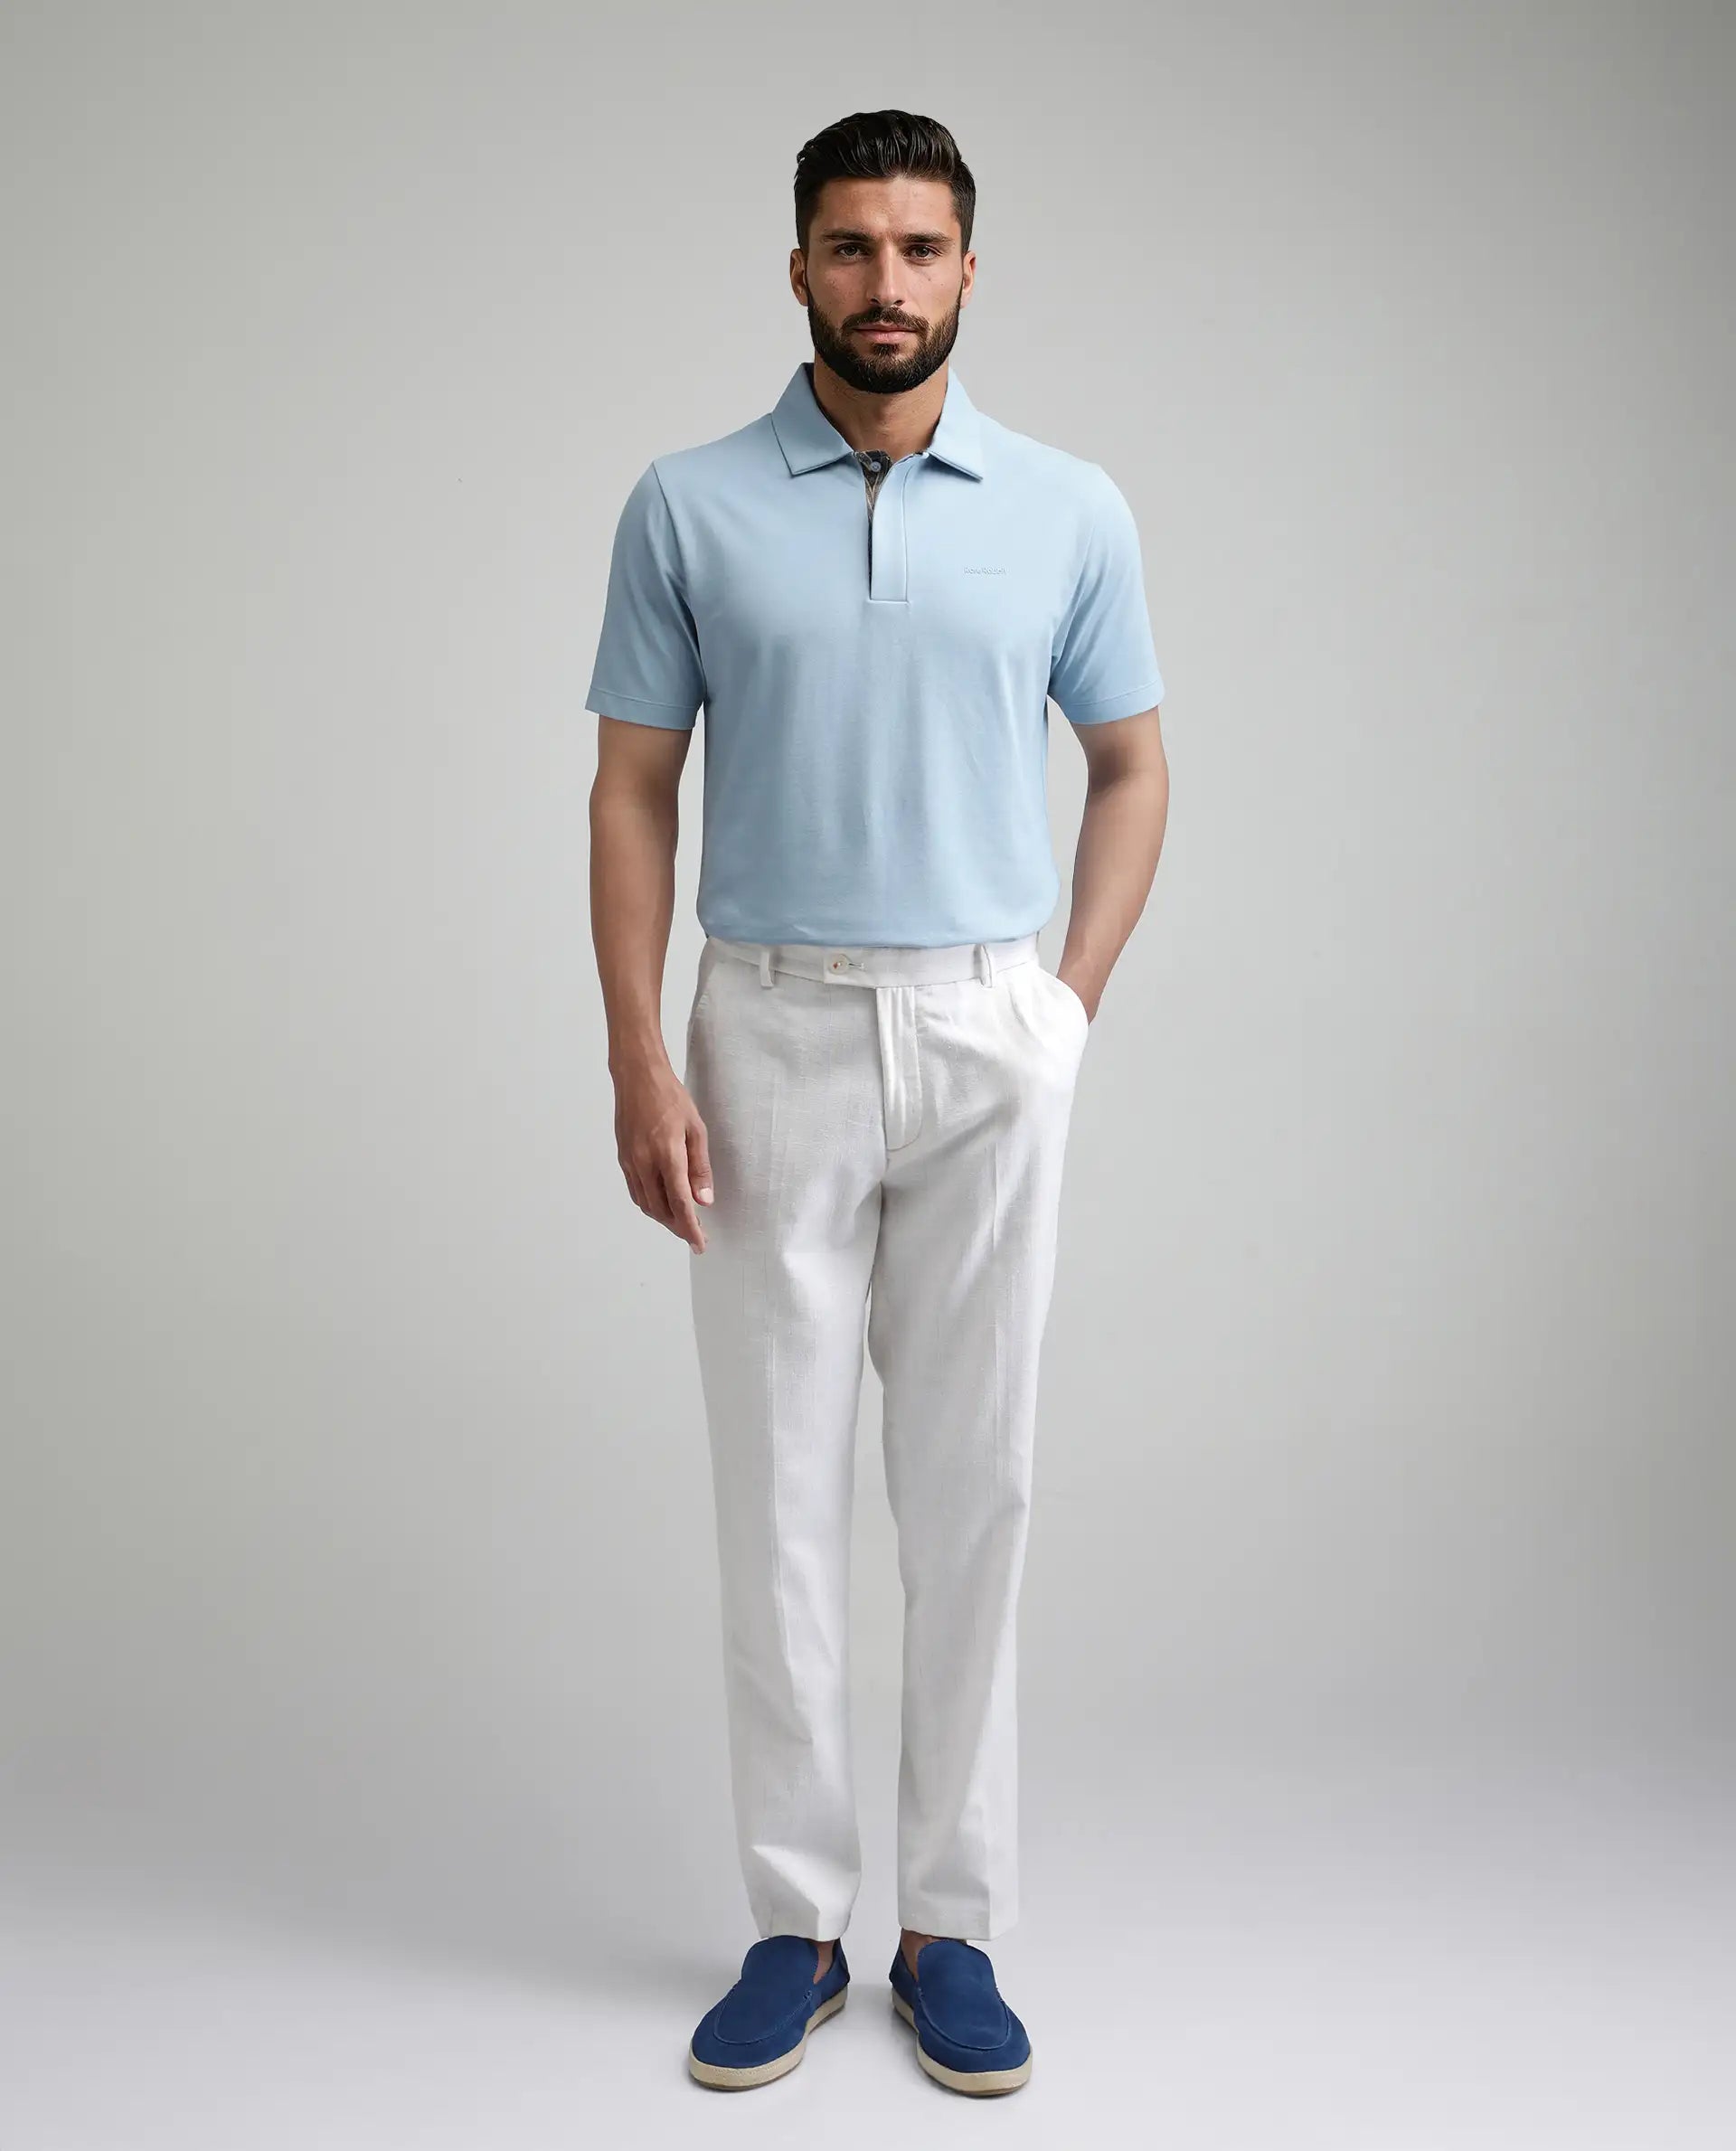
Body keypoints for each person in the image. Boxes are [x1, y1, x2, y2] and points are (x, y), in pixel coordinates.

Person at [586, 108, 1168, 2096]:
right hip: (767, 1031)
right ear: (799, 270)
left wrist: (1065, 1007)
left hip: (988, 1030)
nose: (887, 283)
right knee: (777, 1491)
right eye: (851, 247)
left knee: (975, 1486)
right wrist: (637, 1050)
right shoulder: (687, 505)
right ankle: (792, 1918)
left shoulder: (1071, 508)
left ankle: (954, 1922)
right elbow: (634, 788)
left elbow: (1135, 763)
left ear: (970, 271)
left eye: (921, 248)